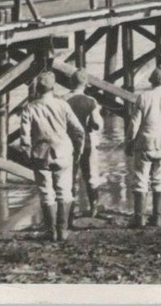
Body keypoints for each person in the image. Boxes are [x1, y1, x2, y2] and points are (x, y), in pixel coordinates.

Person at [21, 71, 85, 241]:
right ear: (53, 87)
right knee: (64, 191)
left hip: (41, 154)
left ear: (38, 88)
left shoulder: (29, 108)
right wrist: (79, 148)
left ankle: (51, 231)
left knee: (45, 192)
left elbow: (24, 138)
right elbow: (78, 130)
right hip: (63, 152)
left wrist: (28, 155)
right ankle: (62, 231)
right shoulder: (62, 105)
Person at [128, 65, 161, 228]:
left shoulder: (143, 97)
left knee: (141, 179)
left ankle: (139, 217)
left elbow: (134, 124)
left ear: (151, 80)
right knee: (160, 179)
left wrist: (129, 142)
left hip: (145, 142)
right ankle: (157, 217)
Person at [65, 69, 103, 224]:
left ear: (71, 83)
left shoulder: (62, 99)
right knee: (90, 176)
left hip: (68, 143)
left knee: (70, 178)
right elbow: (97, 125)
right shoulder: (90, 101)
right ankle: (94, 206)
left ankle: (69, 211)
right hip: (86, 143)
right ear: (86, 84)